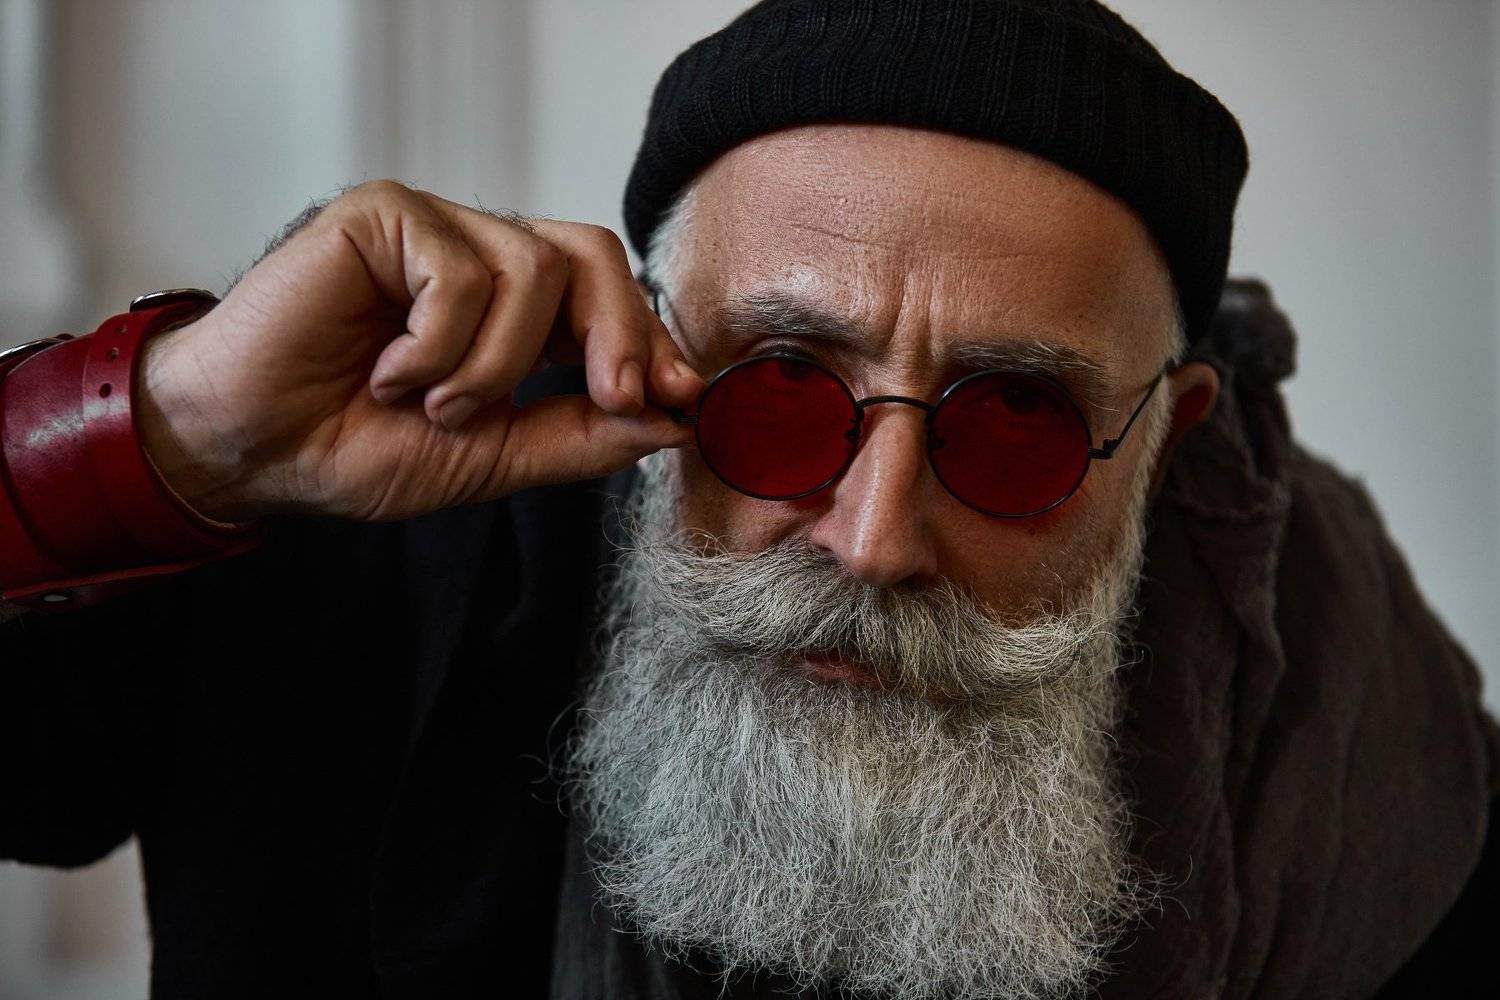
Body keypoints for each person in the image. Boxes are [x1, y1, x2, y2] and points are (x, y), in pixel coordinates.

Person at [2, 1, 1495, 997]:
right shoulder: (403, 495)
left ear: (1164, 439)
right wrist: (172, 433)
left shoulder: (1337, 692)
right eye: (780, 388)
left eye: (1016, 425)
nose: (874, 538)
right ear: (646, 349)